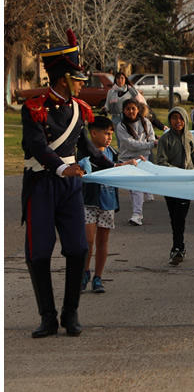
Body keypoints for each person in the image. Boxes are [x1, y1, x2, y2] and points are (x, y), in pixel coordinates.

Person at [21, 29, 116, 337]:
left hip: (70, 188)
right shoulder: (34, 107)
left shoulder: (78, 109)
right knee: (39, 253)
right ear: (63, 79)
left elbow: (88, 149)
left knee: (77, 249)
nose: (81, 84)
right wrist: (63, 169)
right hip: (42, 184)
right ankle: (47, 316)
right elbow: (38, 147)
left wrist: (118, 167)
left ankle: (70, 313)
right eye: (78, 79)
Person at [78, 116, 133, 294]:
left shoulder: (113, 153)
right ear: (93, 133)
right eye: (106, 133)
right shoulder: (83, 152)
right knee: (88, 239)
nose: (109, 137)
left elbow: (118, 171)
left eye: (111, 134)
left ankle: (98, 277)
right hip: (88, 201)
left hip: (107, 201)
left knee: (103, 240)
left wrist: (134, 166)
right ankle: (84, 273)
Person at [156, 107, 194, 265]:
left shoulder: (189, 136)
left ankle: (177, 248)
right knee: (174, 216)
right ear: (170, 120)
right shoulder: (165, 139)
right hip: (171, 184)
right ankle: (178, 247)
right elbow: (161, 162)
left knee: (180, 216)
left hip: (186, 184)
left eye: (181, 118)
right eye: (174, 118)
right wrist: (178, 172)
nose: (178, 122)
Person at [117, 98, 157, 226]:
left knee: (136, 187)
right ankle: (137, 212)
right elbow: (131, 145)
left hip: (142, 159)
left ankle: (137, 215)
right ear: (123, 111)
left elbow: (151, 136)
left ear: (138, 109)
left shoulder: (145, 122)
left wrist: (151, 143)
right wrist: (151, 144)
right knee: (132, 189)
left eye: (133, 108)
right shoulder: (121, 126)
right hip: (127, 160)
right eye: (128, 109)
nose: (131, 111)